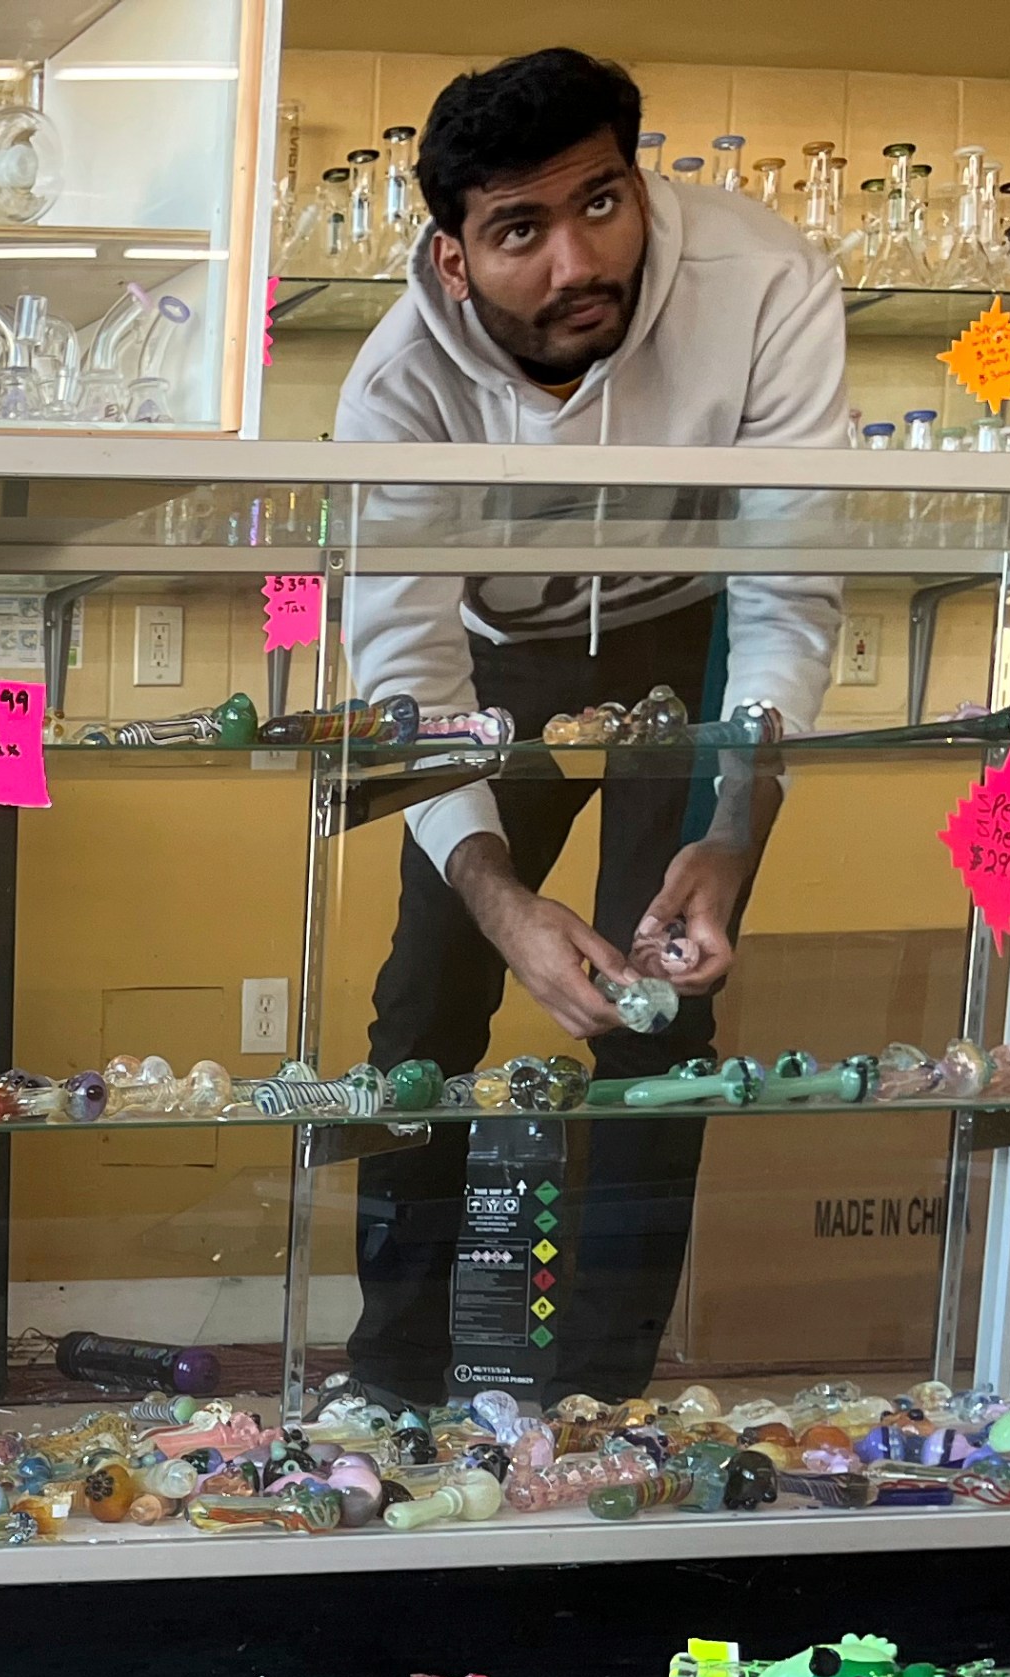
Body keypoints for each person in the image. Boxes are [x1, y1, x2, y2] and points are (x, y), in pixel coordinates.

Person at [335, 46, 847, 1406]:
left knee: (660, 1003)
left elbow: (792, 583)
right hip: (493, 660)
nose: (577, 263)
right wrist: (499, 894)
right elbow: (404, 662)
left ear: (638, 180)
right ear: (453, 258)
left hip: (698, 632)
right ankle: (392, 1372)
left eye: (601, 204)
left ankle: (600, 1396)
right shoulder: (396, 389)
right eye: (519, 232)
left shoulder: (766, 280)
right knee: (428, 994)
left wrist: (734, 824)